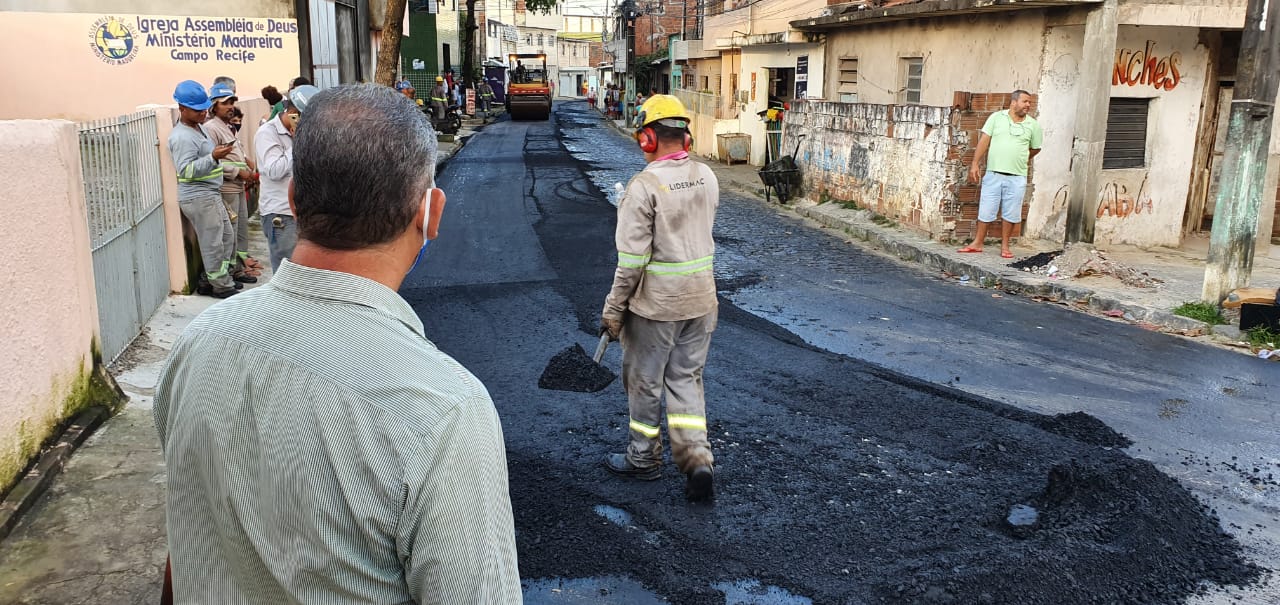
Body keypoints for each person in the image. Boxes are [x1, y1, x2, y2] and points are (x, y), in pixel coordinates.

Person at [154, 83, 520, 603]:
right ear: (429, 213)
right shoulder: (444, 411)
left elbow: (186, 525)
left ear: (297, 199)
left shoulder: (198, 344)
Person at [600, 95, 720, 502]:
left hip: (657, 308)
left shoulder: (643, 187)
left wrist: (613, 310)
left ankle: (643, 458)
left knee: (645, 382)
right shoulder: (707, 176)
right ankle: (697, 459)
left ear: (647, 137)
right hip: (702, 300)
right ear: (686, 135)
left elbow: (631, 263)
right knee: (686, 379)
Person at [167, 80, 238, 298]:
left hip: (210, 194)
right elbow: (186, 171)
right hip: (199, 197)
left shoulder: (198, 127)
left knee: (226, 237)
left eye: (204, 108)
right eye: (197, 110)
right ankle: (221, 286)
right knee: (213, 244)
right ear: (182, 109)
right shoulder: (181, 137)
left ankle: (212, 279)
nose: (203, 113)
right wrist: (213, 157)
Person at [957, 89, 1043, 259]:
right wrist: (975, 163)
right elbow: (984, 141)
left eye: (1029, 103)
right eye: (1025, 101)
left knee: (1011, 212)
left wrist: (1022, 157)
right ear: (1013, 102)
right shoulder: (997, 118)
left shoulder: (1033, 125)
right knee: (987, 209)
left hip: (1017, 176)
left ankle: (1005, 246)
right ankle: (977, 243)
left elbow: (1036, 148)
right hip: (993, 173)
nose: (1028, 105)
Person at [255, 84, 318, 271]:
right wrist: (296, 143)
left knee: (303, 270)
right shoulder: (267, 134)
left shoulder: (304, 134)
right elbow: (273, 170)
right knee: (286, 270)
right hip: (280, 214)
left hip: (301, 211)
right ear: (292, 112)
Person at [204, 82, 261, 282]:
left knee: (240, 230)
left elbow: (235, 154)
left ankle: (237, 269)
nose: (230, 107)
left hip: (238, 186)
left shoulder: (226, 127)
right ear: (214, 106)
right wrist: (238, 172)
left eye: (232, 102)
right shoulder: (211, 128)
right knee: (230, 232)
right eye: (225, 103)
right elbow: (213, 161)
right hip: (227, 186)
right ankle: (229, 272)